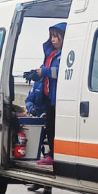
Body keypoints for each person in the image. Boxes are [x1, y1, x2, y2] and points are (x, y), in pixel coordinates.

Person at [25, 23, 66, 166]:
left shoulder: (65, 55)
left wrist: (45, 72)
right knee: (49, 127)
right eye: (51, 37)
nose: (53, 40)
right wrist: (35, 74)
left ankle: (53, 154)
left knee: (54, 128)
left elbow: (59, 72)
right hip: (49, 99)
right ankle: (50, 153)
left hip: (57, 98)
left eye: (56, 36)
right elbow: (46, 70)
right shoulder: (51, 55)